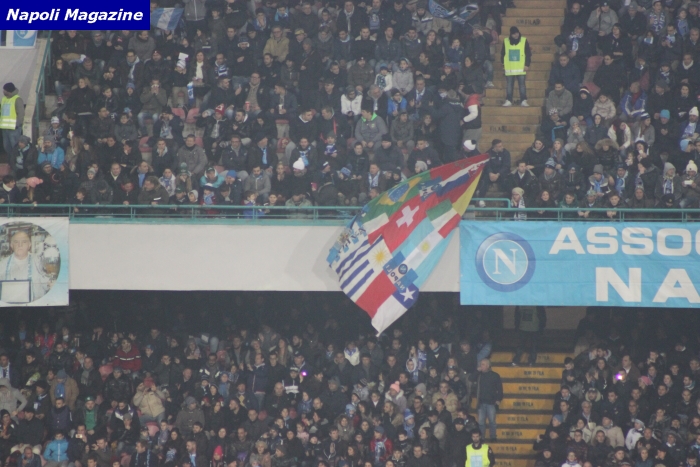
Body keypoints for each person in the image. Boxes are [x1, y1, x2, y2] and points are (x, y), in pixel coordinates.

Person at [0, 229, 53, 303]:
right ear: (11, 245)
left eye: (24, 242)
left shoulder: (39, 262)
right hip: (10, 307)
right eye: (16, 242)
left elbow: (48, 284)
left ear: (29, 245)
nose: (20, 245)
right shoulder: (2, 264)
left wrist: (50, 284)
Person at [469, 359, 503, 441]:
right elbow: (470, 378)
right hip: (481, 403)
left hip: (491, 402)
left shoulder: (495, 375)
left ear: (488, 366)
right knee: (481, 422)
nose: (481, 366)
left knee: (492, 421)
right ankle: (482, 437)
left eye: (483, 364)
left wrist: (498, 399)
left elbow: (500, 389)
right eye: (481, 364)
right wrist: (477, 371)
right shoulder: (479, 375)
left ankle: (493, 436)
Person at [501, 27, 531, 107]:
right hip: (509, 68)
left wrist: (527, 64)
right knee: (509, 85)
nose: (516, 35)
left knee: (522, 85)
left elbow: (528, 53)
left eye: (517, 33)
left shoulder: (524, 40)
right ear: (511, 34)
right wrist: (503, 64)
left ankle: (523, 100)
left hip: (521, 67)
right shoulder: (506, 41)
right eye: (514, 34)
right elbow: (503, 53)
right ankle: (508, 100)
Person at [1, 83, 24, 157]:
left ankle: (16, 161)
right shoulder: (4, 99)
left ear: (8, 90)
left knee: (15, 146)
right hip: (5, 128)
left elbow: (21, 113)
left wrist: (17, 124)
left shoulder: (17, 99)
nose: (3, 91)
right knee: (6, 147)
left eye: (4, 90)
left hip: (14, 128)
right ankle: (10, 160)